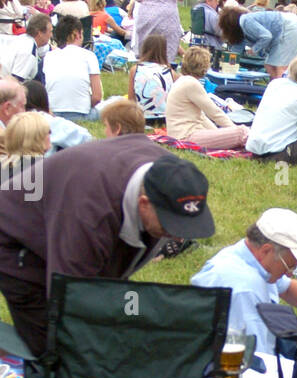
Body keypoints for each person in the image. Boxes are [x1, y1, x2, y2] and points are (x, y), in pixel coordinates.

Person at [0, 140, 214, 358]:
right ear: (144, 203)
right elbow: (70, 301)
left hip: (73, 218)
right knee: (57, 347)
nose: (178, 236)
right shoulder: (89, 218)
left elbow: (111, 288)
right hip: (17, 242)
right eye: (170, 225)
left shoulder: (169, 175)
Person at [192, 210, 297, 353]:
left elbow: (286, 288)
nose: (290, 273)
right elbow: (258, 359)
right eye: (289, 266)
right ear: (267, 250)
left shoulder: (250, 257)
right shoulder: (245, 290)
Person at [164, 47, 248, 150]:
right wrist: (234, 129)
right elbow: (215, 113)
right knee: (241, 132)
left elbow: (201, 116)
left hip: (180, 134)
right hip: (187, 136)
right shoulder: (191, 84)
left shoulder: (182, 81)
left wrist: (217, 132)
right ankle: (260, 146)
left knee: (236, 132)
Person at [218, 6, 297, 80]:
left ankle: (281, 94)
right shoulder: (241, 31)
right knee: (269, 65)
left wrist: (254, 49)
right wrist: (226, 64)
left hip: (289, 30)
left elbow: (266, 36)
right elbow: (235, 52)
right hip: (283, 32)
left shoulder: (245, 21)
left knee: (279, 67)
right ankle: (274, 92)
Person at [43, 15, 102, 124]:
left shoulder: (49, 56)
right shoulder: (88, 56)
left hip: (53, 113)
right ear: (77, 34)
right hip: (82, 114)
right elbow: (97, 97)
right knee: (115, 102)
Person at [128, 32, 175, 126]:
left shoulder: (135, 69)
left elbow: (131, 99)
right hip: (164, 119)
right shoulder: (170, 72)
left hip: (142, 118)